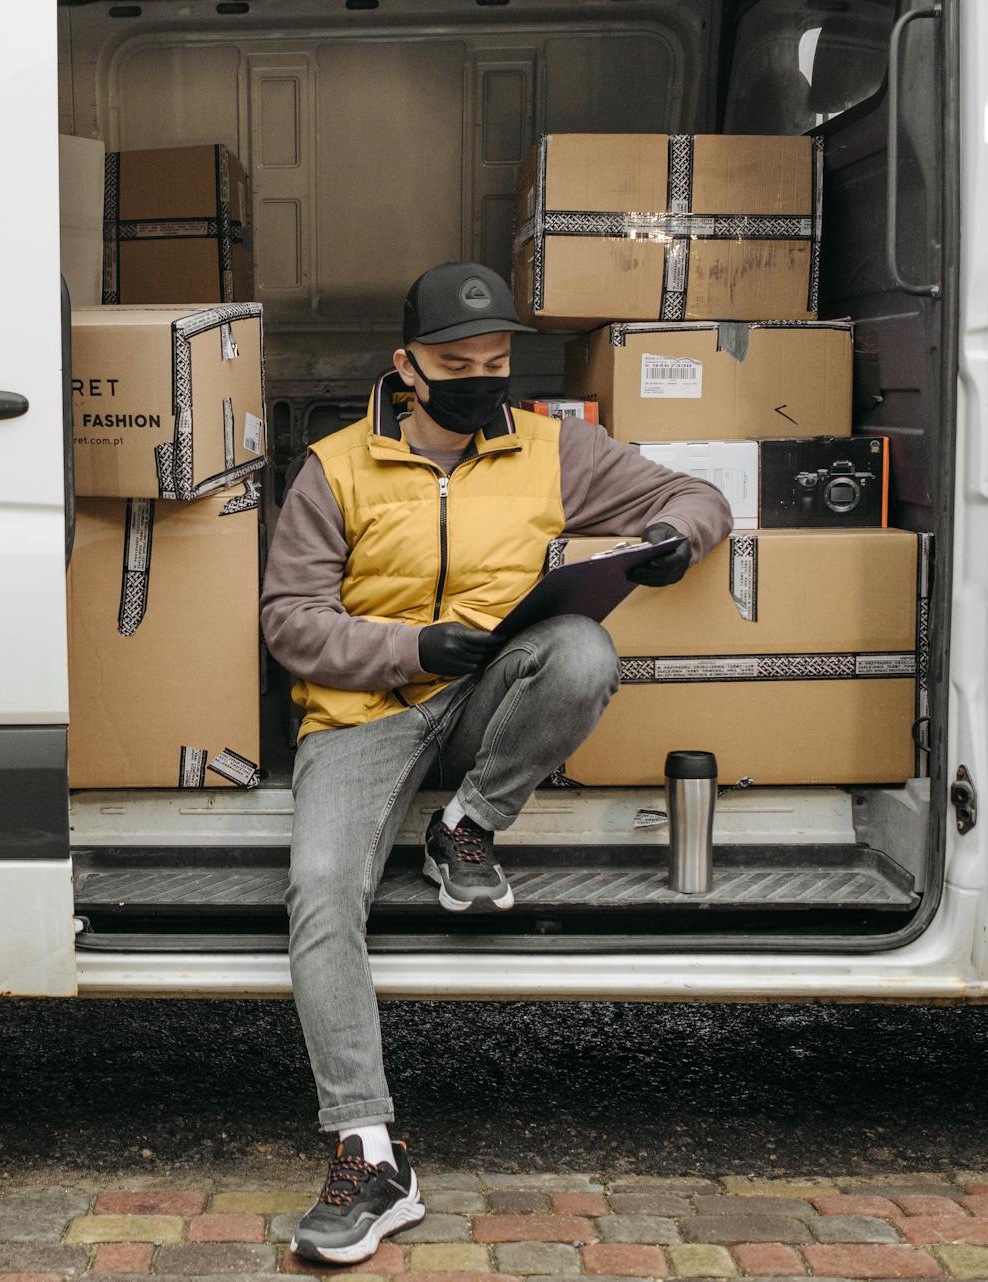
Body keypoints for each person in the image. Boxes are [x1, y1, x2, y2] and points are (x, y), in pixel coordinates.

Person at [261, 261, 732, 1264]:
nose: (480, 379)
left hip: (486, 704)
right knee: (319, 891)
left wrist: (670, 537)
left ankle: (466, 823)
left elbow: (697, 492)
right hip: (363, 711)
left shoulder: (556, 448)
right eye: (455, 363)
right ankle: (368, 1148)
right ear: (406, 366)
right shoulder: (334, 466)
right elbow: (288, 624)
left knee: (584, 652)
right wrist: (411, 647)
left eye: (495, 361)